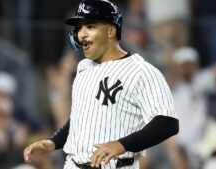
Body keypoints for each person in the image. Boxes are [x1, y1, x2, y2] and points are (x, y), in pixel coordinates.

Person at [24, 0, 179, 168]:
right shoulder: (83, 69)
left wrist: (121, 145)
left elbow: (168, 123)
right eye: (79, 28)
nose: (82, 34)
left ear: (111, 31)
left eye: (90, 27)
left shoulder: (140, 71)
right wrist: (53, 142)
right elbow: (79, 120)